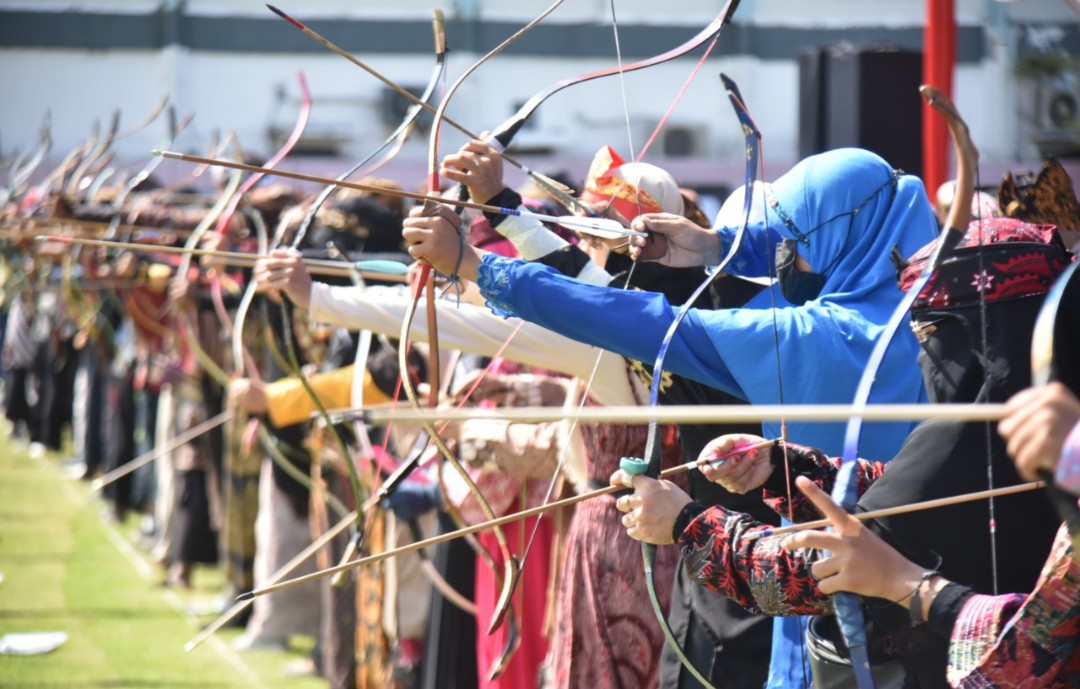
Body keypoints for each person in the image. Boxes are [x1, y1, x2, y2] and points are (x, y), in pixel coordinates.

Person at [609, 217, 1076, 687]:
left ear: (983, 333)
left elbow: (813, 572)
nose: (923, 355)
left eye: (932, 332)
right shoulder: (1038, 433)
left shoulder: (975, 439)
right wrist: (784, 470)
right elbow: (911, 499)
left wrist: (684, 522)